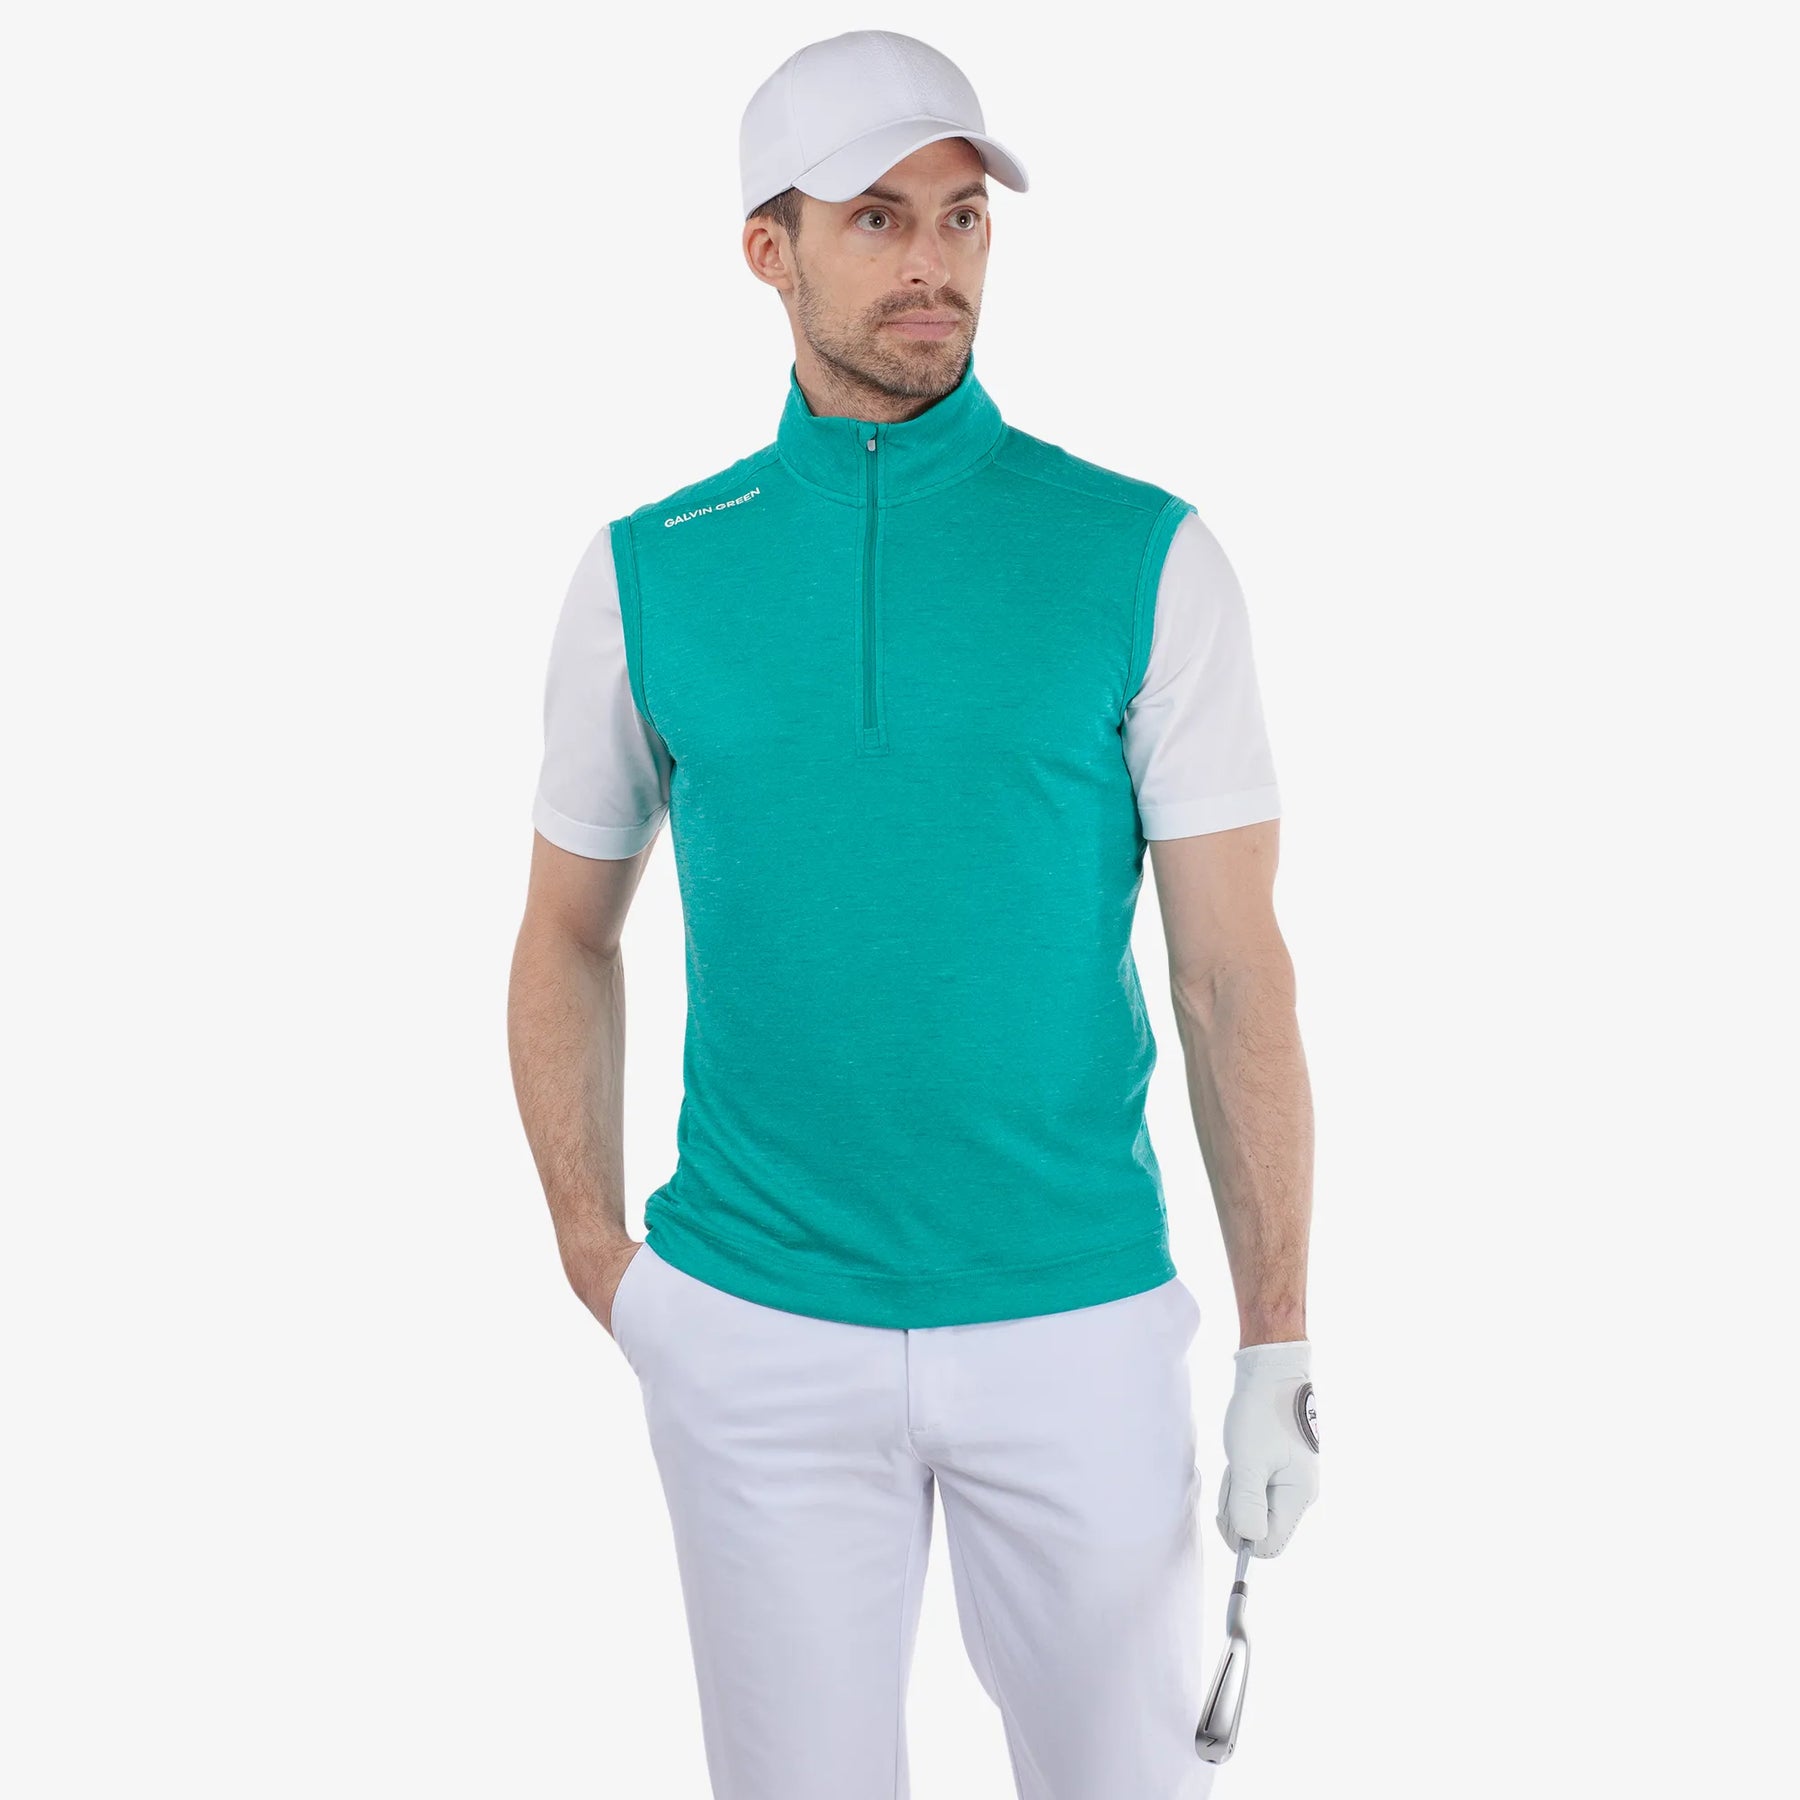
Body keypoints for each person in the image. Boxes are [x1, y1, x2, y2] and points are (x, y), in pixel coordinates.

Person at [507, 28, 1319, 1799]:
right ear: (769, 249)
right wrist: (601, 1263)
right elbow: (567, 929)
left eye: (961, 217)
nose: (932, 263)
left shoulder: (1144, 553)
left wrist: (1279, 1340)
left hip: (1074, 1319)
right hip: (752, 1325)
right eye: (875, 218)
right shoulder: (651, 570)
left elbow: (1229, 975)